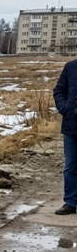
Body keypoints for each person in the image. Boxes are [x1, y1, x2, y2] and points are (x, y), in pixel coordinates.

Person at [55, 59, 77, 216]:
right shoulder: (71, 67)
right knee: (71, 166)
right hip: (72, 124)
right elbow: (59, 90)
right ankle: (71, 202)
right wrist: (65, 108)